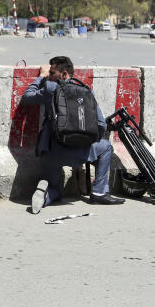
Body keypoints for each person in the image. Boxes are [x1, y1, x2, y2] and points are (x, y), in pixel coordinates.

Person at [19, 55, 123, 214]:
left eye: (52, 73)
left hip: (51, 152)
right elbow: (101, 124)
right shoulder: (87, 91)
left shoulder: (50, 88)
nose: (49, 76)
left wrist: (40, 77)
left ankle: (46, 195)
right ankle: (100, 192)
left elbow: (27, 97)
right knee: (106, 147)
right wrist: (85, 142)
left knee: (56, 189)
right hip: (81, 152)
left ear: (64, 74)